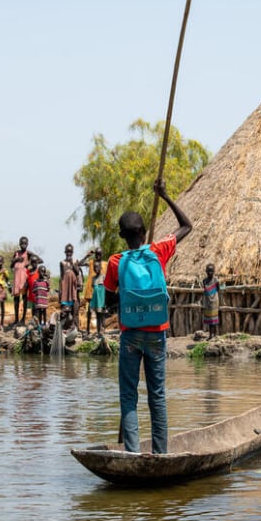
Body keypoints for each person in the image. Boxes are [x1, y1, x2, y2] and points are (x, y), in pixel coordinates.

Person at [103, 180, 192, 454]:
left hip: (130, 334)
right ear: (143, 232)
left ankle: (131, 453)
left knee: (128, 396)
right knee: (158, 396)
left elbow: (108, 302)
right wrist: (165, 196)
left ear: (122, 236)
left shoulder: (116, 262)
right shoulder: (158, 250)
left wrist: (123, 300)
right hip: (157, 333)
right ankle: (160, 454)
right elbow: (187, 225)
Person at [79, 248, 107, 334]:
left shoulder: (106, 264)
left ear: (102, 255)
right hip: (91, 290)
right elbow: (80, 263)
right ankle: (88, 329)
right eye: (96, 254)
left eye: (99, 254)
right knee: (89, 311)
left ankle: (102, 329)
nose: (98, 256)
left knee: (101, 312)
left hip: (101, 292)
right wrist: (87, 255)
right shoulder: (91, 262)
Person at [59, 244, 81, 328]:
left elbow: (77, 272)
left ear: (72, 252)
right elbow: (61, 278)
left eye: (70, 251)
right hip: (65, 291)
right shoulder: (62, 263)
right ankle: (65, 327)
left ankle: (76, 328)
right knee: (65, 310)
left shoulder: (75, 261)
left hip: (74, 290)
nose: (69, 253)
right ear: (65, 252)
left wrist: (73, 264)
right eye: (67, 251)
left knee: (75, 310)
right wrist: (60, 292)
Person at [10, 236, 30, 325]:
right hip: (17, 278)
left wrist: (28, 263)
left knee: (24, 298)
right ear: (19, 244)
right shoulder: (16, 253)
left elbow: (40, 260)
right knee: (16, 299)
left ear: (27, 244)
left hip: (24, 278)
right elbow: (11, 265)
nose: (23, 245)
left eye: (25, 243)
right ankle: (16, 319)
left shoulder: (28, 253)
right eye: (22, 243)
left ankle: (23, 319)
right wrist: (16, 259)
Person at [202, 263, 221, 340]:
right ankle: (210, 335)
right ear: (206, 271)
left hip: (214, 302)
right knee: (209, 320)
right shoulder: (204, 281)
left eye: (211, 271)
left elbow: (218, 289)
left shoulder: (216, 281)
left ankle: (215, 334)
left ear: (214, 271)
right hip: (207, 302)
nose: (210, 273)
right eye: (208, 271)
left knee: (214, 319)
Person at [89, 261, 106, 335]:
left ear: (100, 267)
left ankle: (103, 330)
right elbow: (94, 288)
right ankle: (98, 331)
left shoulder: (103, 277)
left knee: (102, 316)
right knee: (97, 316)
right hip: (96, 300)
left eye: (97, 267)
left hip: (102, 300)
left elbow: (105, 289)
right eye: (94, 267)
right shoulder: (93, 278)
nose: (96, 269)